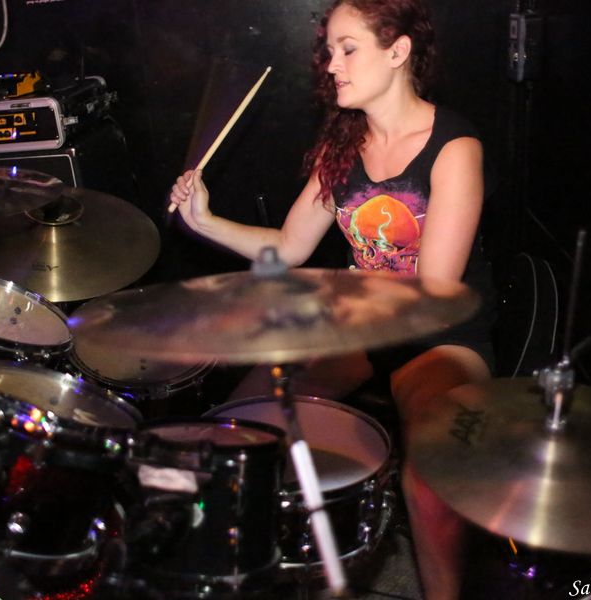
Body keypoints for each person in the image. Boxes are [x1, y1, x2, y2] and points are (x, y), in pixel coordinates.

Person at [169, 0, 494, 598]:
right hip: (361, 330)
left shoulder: (454, 148)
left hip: (438, 337)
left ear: (398, 52)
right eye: (328, 52)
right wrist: (205, 219)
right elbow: (290, 247)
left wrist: (333, 295)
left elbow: (433, 291)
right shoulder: (341, 145)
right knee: (241, 427)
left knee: (429, 481)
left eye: (347, 49)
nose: (331, 65)